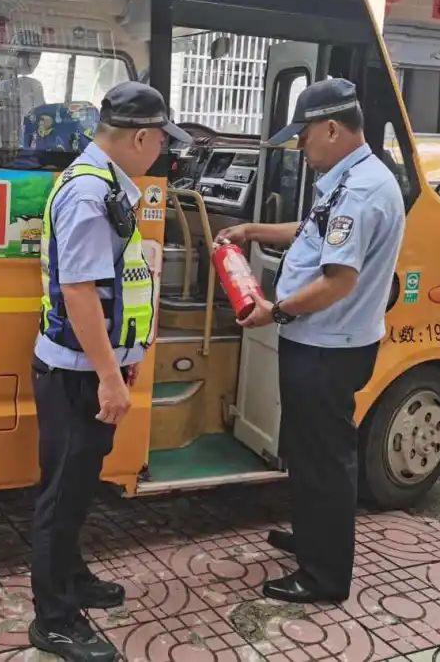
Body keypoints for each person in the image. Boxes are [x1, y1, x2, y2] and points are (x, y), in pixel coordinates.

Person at [218, 77, 404, 604]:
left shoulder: (363, 189)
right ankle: (312, 536)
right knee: (306, 449)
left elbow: (337, 281)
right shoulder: (350, 179)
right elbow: (311, 229)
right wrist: (253, 230)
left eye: (304, 135)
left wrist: (273, 310)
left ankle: (324, 576)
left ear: (331, 128)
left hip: (329, 346)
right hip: (320, 340)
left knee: (324, 458)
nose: (300, 145)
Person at [29, 81, 191, 661]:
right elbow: (78, 291)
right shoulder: (88, 193)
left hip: (92, 369)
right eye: (161, 142)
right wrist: (109, 377)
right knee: (60, 496)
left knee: (76, 490)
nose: (162, 153)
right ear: (142, 136)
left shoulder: (106, 184)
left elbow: (114, 284)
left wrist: (127, 360)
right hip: (77, 374)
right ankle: (53, 619)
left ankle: (72, 579)